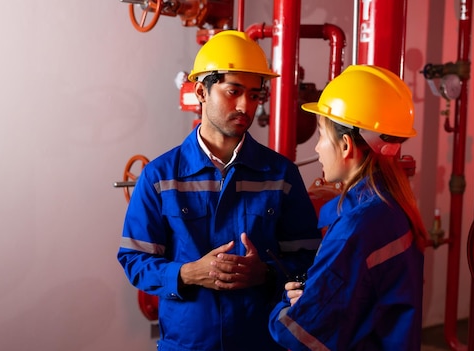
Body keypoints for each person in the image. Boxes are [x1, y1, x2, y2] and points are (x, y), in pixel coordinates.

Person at [117, 30, 322, 351]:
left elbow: (309, 258)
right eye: (233, 91)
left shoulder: (281, 174)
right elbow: (134, 260)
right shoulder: (160, 176)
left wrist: (266, 274)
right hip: (187, 343)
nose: (245, 105)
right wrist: (186, 273)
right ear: (201, 91)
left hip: (262, 341)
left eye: (254, 95)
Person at [268, 65, 429, 350]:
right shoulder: (393, 206)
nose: (317, 148)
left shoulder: (357, 229)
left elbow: (295, 333)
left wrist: (287, 304)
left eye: (321, 135)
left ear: (345, 146)